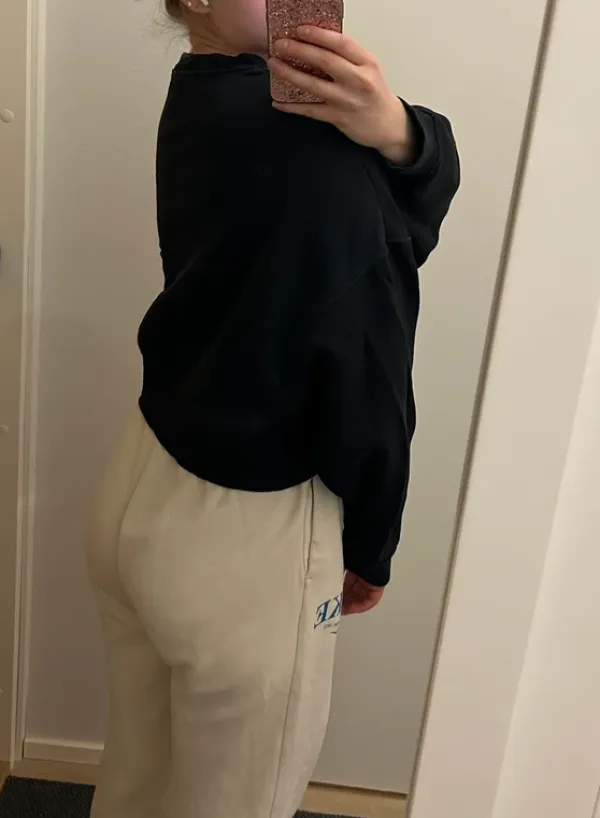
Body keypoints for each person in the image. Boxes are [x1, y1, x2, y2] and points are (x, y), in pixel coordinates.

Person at [86, 1, 460, 817]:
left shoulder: (201, 91)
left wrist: (398, 132)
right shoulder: (310, 144)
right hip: (247, 534)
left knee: (139, 776)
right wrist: (373, 540)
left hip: (143, 479)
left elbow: (390, 219)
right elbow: (369, 361)